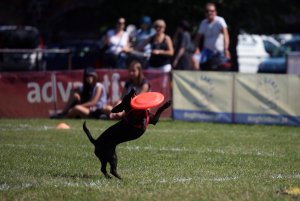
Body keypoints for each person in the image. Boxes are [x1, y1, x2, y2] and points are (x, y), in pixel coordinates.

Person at [194, 2, 231, 70]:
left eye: (212, 11)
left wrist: (226, 49)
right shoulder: (203, 23)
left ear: (215, 12)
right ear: (205, 13)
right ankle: (198, 78)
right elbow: (197, 38)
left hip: (219, 52)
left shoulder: (220, 21)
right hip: (207, 51)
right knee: (195, 59)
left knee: (225, 66)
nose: (209, 13)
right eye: (207, 11)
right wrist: (197, 49)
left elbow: (226, 35)